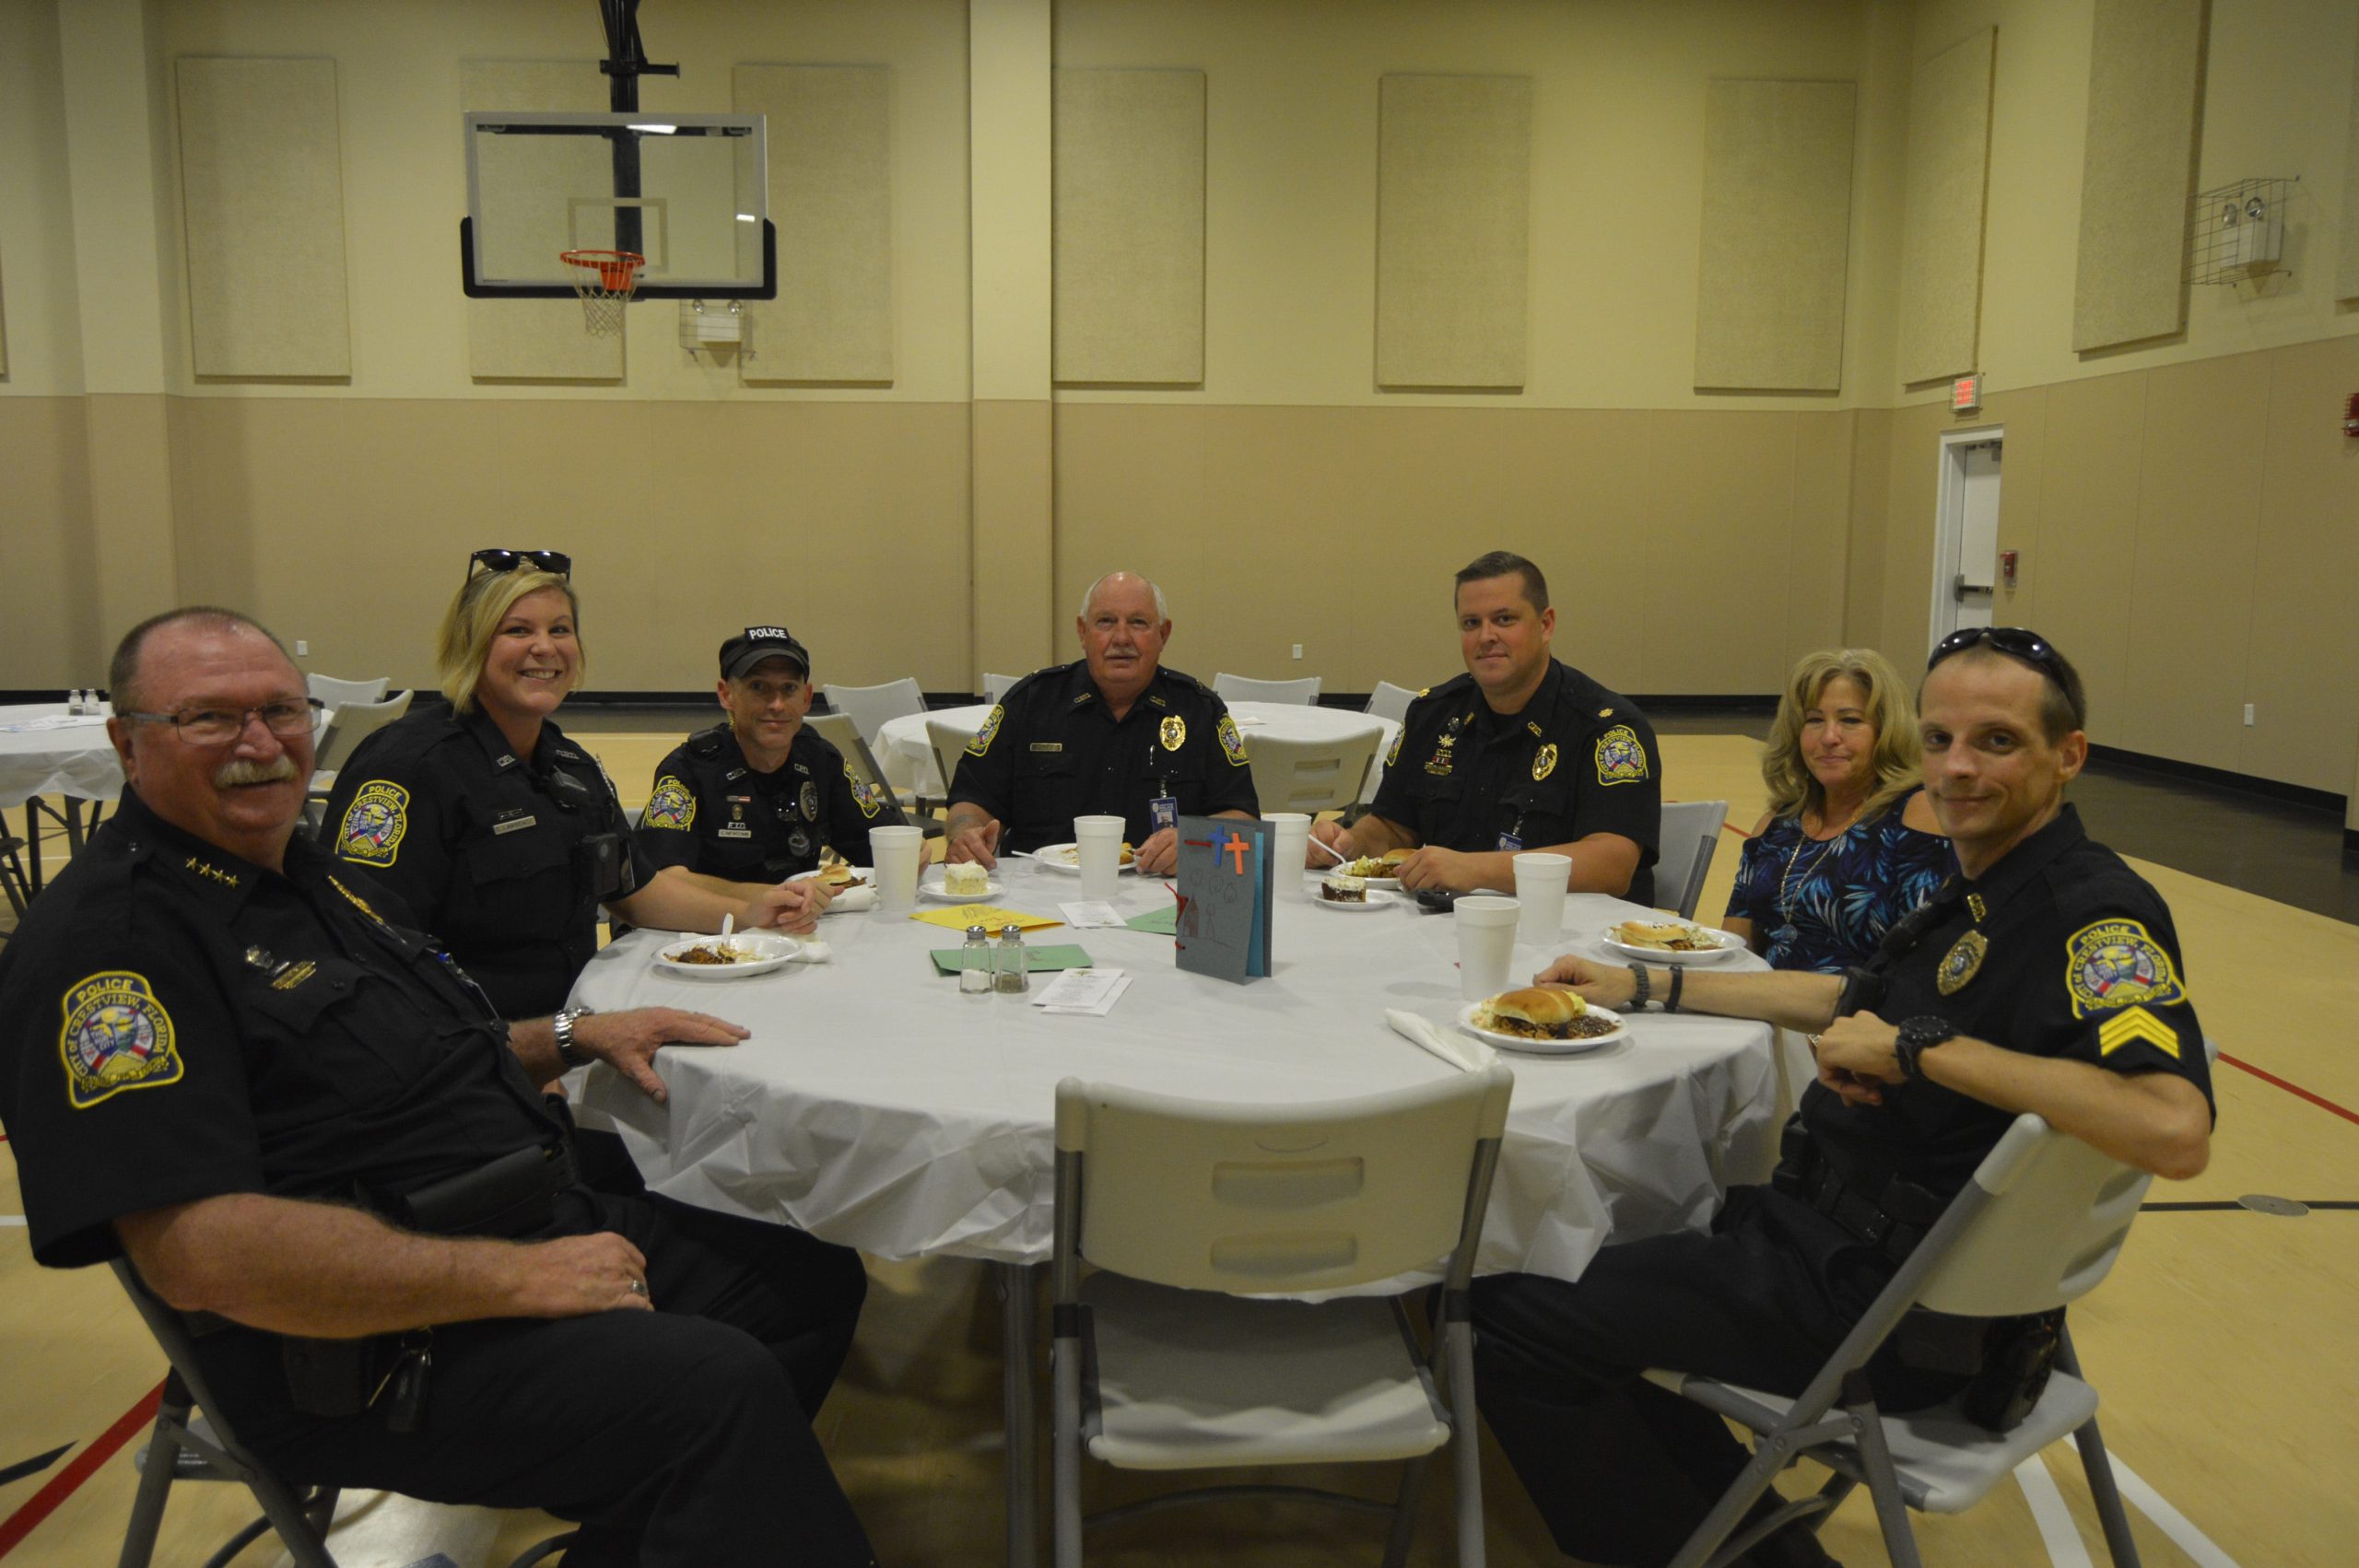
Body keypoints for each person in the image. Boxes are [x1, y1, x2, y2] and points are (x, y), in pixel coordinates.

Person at [0, 608, 877, 1567]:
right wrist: (518, 1278)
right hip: (367, 1343)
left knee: (807, 1277)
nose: (260, 744)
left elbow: (419, 1050)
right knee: (716, 1390)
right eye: (209, 718)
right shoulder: (113, 946)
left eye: (281, 712)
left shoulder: (306, 871)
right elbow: (199, 1253)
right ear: (128, 742)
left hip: (506, 1209)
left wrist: (577, 1035)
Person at [1468, 627, 2215, 1568]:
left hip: (1884, 1305)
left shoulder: (2090, 914)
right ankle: (1738, 1545)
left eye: (1996, 741)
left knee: (1496, 1308)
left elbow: (2171, 1124)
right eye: (1940, 738)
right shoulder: (1980, 891)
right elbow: (1848, 998)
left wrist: (1920, 1050)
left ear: (2067, 756)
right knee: (1614, 1261)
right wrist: (1649, 988)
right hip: (1838, 1255)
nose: (1955, 767)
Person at [319, 550, 831, 1031]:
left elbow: (632, 889)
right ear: (471, 646)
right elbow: (371, 950)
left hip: (578, 1025)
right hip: (472, 1051)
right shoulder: (409, 767)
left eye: (560, 630)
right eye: (518, 630)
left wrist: (750, 913)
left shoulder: (570, 767)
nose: (545, 647)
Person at [1311, 550, 1663, 901]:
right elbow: (1393, 826)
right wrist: (1350, 843)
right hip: (1447, 929)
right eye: (1471, 623)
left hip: (1564, 935)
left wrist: (1473, 870)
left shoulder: (1606, 729)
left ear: (1546, 625)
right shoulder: (1432, 715)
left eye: (1505, 619)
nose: (1485, 636)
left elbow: (1612, 866)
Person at [945, 570, 1259, 876]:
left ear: (1164, 634)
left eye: (1138, 623)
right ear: (1083, 632)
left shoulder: (1199, 710)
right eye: (1106, 622)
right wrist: (967, 834)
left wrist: (1195, 842)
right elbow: (972, 798)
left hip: (1159, 893)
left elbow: (1242, 817)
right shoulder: (1031, 703)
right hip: (1040, 895)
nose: (1121, 638)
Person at [1721, 647, 1954, 972]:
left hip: (1859, 1013)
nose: (1829, 737)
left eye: (1850, 720)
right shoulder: (1777, 824)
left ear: (1885, 732)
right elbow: (1733, 949)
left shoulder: (1916, 817)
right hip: (1765, 1008)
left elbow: (1924, 964)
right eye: (1814, 720)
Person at [636, 624, 906, 885]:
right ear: (726, 694)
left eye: (789, 688)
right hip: (708, 929)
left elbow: (883, 844)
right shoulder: (690, 771)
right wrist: (763, 901)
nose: (776, 704)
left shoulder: (819, 760)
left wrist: (907, 850)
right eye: (758, 687)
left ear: (806, 697)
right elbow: (664, 882)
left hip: (800, 927)